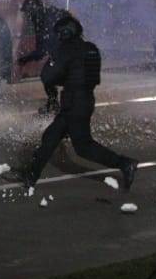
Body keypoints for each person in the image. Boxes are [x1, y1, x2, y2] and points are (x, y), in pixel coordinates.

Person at [14, 14, 138, 192]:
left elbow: (47, 76)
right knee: (50, 137)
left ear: (65, 33)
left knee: (84, 147)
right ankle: (31, 176)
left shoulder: (66, 50)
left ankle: (125, 163)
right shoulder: (90, 48)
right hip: (85, 100)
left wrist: (54, 65)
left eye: (59, 34)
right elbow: (90, 77)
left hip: (74, 103)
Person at [16, 0, 66, 113]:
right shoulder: (42, 17)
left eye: (28, 13)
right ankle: (54, 103)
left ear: (34, 11)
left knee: (47, 74)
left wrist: (24, 60)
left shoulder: (44, 20)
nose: (27, 17)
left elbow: (42, 51)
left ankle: (56, 104)